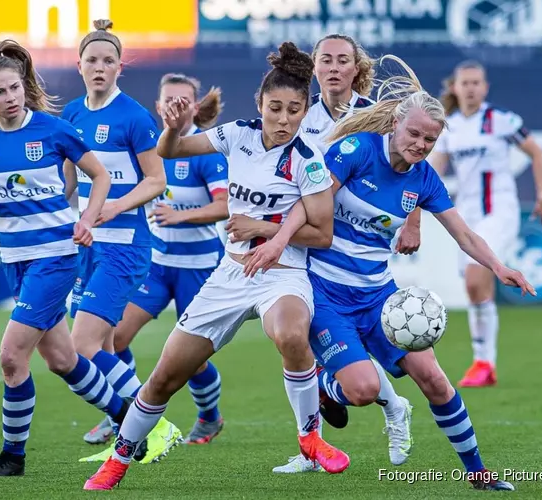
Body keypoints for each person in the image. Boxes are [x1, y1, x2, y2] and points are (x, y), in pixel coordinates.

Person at [231, 56, 534, 491]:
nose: (420, 145)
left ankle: (479, 474)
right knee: (362, 391)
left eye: (429, 140)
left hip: (378, 297)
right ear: (394, 123)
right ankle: (322, 383)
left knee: (434, 379)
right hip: (326, 295)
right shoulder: (357, 151)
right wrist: (277, 239)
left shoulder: (424, 179)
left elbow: (464, 233)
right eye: (414, 134)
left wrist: (500, 267)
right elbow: (310, 205)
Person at [83, 41, 350, 491]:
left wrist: (260, 227)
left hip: (283, 274)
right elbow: (170, 152)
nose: (284, 119)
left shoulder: (310, 161)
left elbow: (321, 234)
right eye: (275, 108)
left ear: (306, 110)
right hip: (228, 275)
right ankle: (119, 460)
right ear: (259, 104)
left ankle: (310, 438)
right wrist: (169, 129)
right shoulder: (237, 135)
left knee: (289, 333)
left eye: (294, 110)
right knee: (165, 377)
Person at [0, 39, 138, 476]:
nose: (11, 97)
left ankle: (12, 457)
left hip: (55, 258)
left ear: (24, 87)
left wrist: (89, 219)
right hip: (16, 260)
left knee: (11, 357)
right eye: (0, 92)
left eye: (15, 88)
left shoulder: (53, 130)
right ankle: (130, 423)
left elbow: (100, 176)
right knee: (61, 359)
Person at [269, 33, 418, 474]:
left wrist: (413, 220)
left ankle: (384, 404)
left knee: (321, 346)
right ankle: (313, 446)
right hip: (306, 243)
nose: (334, 68)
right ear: (315, 68)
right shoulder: (302, 116)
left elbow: (411, 165)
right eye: (326, 60)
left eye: (343, 61)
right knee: (293, 343)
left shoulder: (376, 116)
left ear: (358, 68)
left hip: (354, 248)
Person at [81, 73, 229, 451]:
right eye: (168, 99)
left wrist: (180, 215)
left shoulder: (201, 150)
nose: (175, 105)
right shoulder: (149, 143)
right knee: (113, 337)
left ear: (195, 107)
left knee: (191, 360)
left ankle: (210, 414)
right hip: (157, 264)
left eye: (183, 99)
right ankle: (121, 412)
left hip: (198, 267)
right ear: (158, 105)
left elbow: (224, 205)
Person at [61, 19, 180, 462]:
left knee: (82, 345)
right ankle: (124, 434)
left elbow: (156, 180)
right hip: (87, 245)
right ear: (79, 66)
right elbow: (68, 184)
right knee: (106, 346)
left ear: (119, 68)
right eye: (91, 59)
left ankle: (158, 425)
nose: (99, 67)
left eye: (108, 61)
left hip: (125, 246)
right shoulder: (71, 115)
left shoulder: (133, 116)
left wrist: (112, 206)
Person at [428, 60, 542, 388]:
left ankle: (484, 362)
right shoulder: (449, 127)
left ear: (485, 88)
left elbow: (537, 153)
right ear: (455, 87)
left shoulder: (499, 119)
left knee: (475, 276)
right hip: (466, 215)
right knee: (475, 288)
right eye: (464, 83)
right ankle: (484, 363)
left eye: (476, 82)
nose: (470, 88)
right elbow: (433, 170)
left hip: (499, 210)